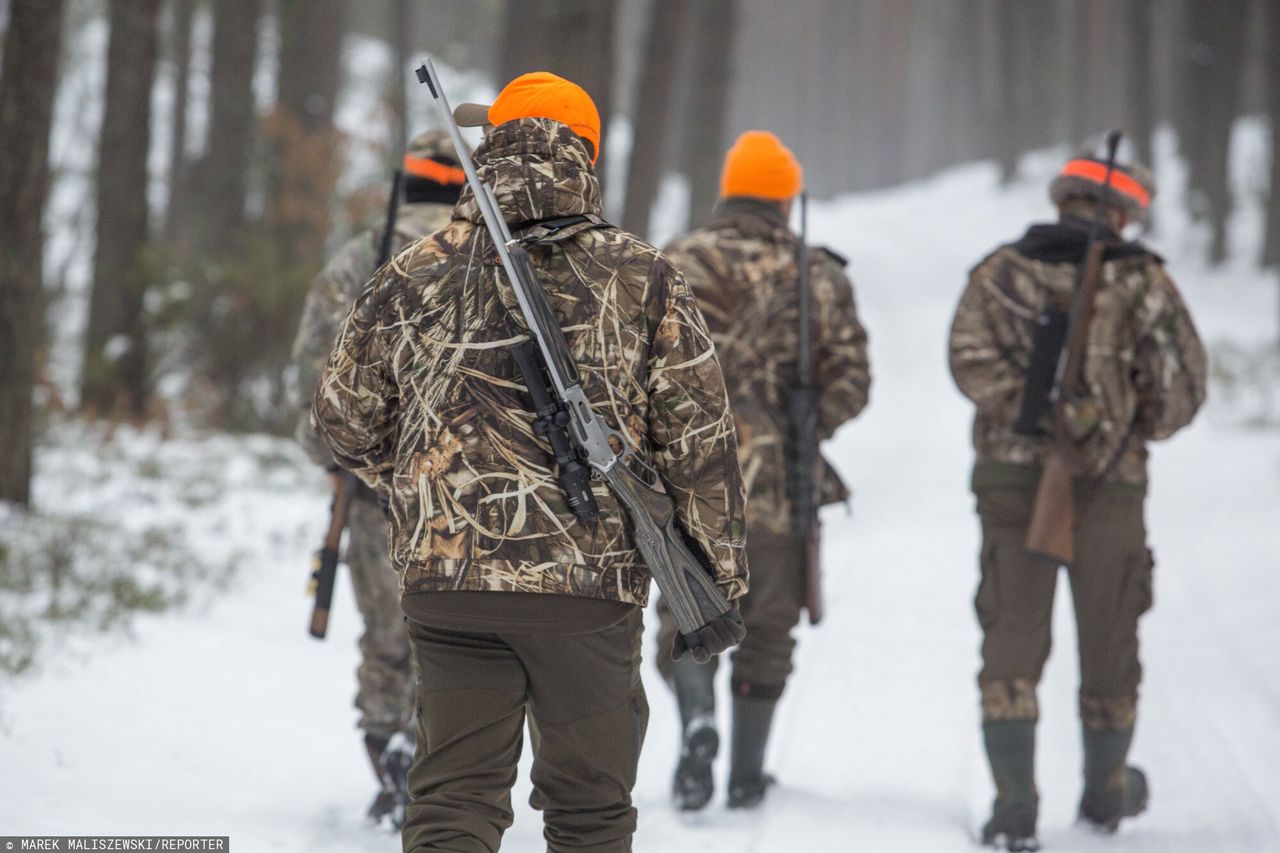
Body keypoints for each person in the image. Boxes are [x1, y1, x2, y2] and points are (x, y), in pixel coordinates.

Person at [312, 70, 748, 852]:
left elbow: (341, 423)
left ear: (493, 148)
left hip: (448, 590)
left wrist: (421, 486)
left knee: (451, 806)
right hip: (588, 596)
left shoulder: (410, 271)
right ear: (586, 155)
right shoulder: (644, 276)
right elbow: (701, 445)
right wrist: (714, 583)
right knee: (588, 814)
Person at [948, 151, 1207, 850]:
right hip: (1110, 484)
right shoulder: (1145, 281)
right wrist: (1116, 423)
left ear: (1062, 202)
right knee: (1111, 635)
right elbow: (1183, 391)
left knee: (1011, 633)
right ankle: (1105, 795)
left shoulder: (1002, 269)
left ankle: (1013, 804)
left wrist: (1024, 414)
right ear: (1124, 213)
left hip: (1007, 479)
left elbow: (966, 356)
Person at [658, 130, 872, 811]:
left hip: (686, 480)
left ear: (728, 190)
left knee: (685, 612)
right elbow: (853, 381)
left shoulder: (673, 261)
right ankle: (747, 774)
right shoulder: (818, 274)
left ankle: (698, 722)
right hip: (780, 483)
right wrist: (807, 426)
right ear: (784, 201)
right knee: (768, 626)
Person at [290, 130, 466, 824]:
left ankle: (390, 758)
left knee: (384, 638)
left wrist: (332, 457)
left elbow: (311, 389)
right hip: (468, 497)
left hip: (370, 497)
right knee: (451, 640)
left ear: (405, 185)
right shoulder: (488, 261)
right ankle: (432, 768)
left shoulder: (355, 262)